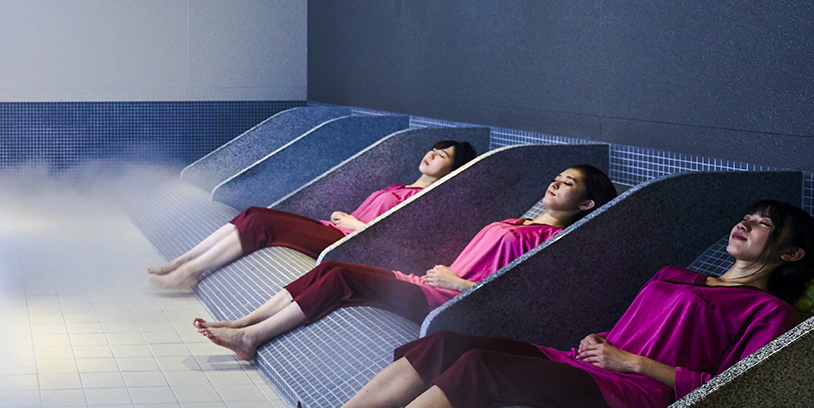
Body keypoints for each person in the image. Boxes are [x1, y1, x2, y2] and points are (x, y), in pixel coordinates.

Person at [271, 200, 814, 408]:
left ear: (791, 255)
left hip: (635, 401)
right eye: (746, 217)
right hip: (593, 363)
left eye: (763, 225)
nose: (745, 225)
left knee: (485, 366)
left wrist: (631, 360)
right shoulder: (682, 274)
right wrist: (604, 338)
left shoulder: (769, 311)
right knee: (446, 343)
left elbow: (731, 393)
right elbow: (641, 324)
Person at [197, 165, 616, 360]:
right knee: (327, 267)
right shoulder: (517, 221)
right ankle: (243, 324)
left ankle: (252, 338)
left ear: (587, 203)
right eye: (558, 175)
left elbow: (518, 300)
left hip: (448, 302)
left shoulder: (554, 242)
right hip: (428, 283)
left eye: (570, 183)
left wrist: (457, 284)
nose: (557, 181)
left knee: (341, 276)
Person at [149, 140, 479, 290]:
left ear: (452, 169)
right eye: (433, 150)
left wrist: (355, 224)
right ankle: (184, 262)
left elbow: (393, 239)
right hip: (333, 229)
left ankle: (191, 270)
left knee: (262, 222)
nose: (432, 156)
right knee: (253, 213)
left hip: (346, 242)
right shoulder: (401, 186)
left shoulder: (425, 201)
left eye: (442, 157)